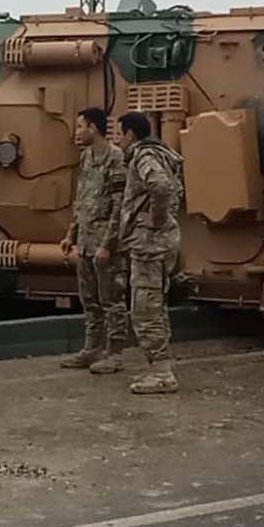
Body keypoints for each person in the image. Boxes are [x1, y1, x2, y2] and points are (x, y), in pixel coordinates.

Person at [116, 111, 184, 395]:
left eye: (120, 134)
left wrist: (155, 220)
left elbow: (160, 186)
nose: (118, 140)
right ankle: (161, 365)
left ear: (130, 134)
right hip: (160, 243)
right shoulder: (161, 152)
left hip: (149, 244)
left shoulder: (144, 156)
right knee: (155, 304)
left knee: (145, 308)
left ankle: (161, 373)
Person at [59, 107, 129, 375]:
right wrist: (71, 234)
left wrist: (108, 244)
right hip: (86, 240)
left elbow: (118, 206)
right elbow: (82, 199)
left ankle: (115, 353)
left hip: (104, 244)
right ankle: (92, 349)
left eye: (80, 126)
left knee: (112, 300)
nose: (77, 132)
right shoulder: (86, 157)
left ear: (93, 128)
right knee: (89, 299)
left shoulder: (116, 158)